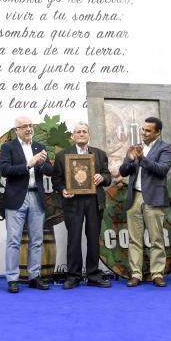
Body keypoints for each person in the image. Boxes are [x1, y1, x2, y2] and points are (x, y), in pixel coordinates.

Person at [52, 122, 112, 289]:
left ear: (89, 134)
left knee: (93, 239)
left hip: (94, 201)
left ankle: (93, 274)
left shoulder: (100, 154)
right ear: (72, 136)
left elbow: (108, 176)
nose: (81, 134)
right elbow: (56, 179)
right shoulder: (62, 156)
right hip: (73, 202)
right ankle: (73, 276)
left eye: (84, 131)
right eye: (78, 132)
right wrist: (63, 190)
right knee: (74, 239)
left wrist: (103, 177)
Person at [0, 115, 53, 293]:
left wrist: (43, 163)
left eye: (30, 126)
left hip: (36, 198)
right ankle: (12, 279)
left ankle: (34, 276)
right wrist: (28, 165)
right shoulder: (8, 147)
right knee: (13, 241)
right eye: (24, 126)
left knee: (36, 240)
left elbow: (50, 171)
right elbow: (5, 170)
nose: (29, 129)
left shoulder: (40, 147)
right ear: (17, 130)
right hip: (16, 198)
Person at [119, 117, 171, 287]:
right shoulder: (136, 147)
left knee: (156, 238)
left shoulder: (165, 148)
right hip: (134, 197)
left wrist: (142, 159)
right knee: (135, 239)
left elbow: (162, 170)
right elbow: (123, 171)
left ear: (157, 132)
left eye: (148, 130)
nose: (144, 132)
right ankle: (136, 274)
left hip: (154, 199)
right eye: (143, 129)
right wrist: (129, 159)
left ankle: (157, 273)